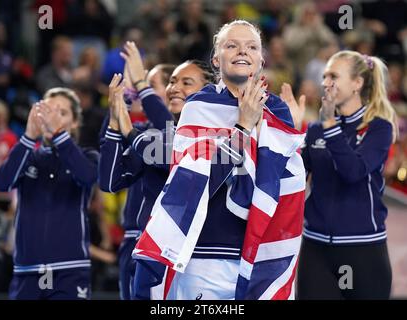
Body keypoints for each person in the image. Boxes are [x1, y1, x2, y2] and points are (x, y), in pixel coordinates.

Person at [133, 20, 306, 300]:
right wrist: (243, 128)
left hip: (261, 258)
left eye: (252, 46)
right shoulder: (198, 106)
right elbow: (197, 185)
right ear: (216, 58)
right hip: (205, 257)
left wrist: (292, 136)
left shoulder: (277, 110)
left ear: (261, 59)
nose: (242, 51)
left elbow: (285, 190)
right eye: (232, 45)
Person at [99, 57, 215, 300]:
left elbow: (169, 155)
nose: (175, 88)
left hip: (200, 257)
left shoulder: (217, 135)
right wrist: (114, 121)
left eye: (187, 82)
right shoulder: (153, 135)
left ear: (207, 91)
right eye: (172, 81)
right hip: (152, 254)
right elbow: (110, 182)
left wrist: (130, 130)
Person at [296, 50, 397, 299]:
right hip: (315, 248)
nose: (325, 82)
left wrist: (329, 126)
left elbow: (353, 172)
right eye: (324, 76)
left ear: (357, 83)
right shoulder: (316, 129)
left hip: (362, 248)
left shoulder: (378, 128)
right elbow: (295, 177)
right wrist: (288, 133)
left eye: (333, 76)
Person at [0, 88, 98, 300]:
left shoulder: (88, 156)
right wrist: (29, 137)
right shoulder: (28, 156)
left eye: (61, 112)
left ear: (75, 122)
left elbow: (87, 177)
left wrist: (59, 134)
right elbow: (2, 182)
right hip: (28, 270)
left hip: (69, 270)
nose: (52, 118)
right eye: (48, 111)